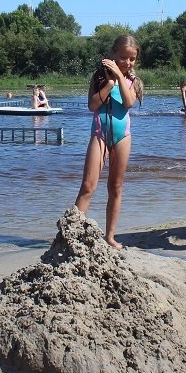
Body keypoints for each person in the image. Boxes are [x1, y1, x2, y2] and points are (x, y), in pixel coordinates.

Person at [73, 35, 144, 248]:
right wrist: (110, 82)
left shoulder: (134, 81)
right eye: (123, 58)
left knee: (115, 187)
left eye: (132, 59)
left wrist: (121, 79)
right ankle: (72, 231)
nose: (128, 63)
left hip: (122, 137)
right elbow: (92, 106)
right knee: (88, 185)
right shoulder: (99, 77)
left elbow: (129, 102)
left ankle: (110, 236)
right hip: (100, 134)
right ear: (112, 55)